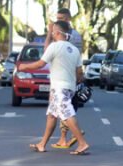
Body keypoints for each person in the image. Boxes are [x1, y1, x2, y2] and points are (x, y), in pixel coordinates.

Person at [24, 20, 90, 155]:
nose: (52, 34)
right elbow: (79, 73)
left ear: (58, 32)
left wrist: (24, 67)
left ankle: (82, 143)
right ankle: (42, 144)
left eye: (53, 31)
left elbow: (40, 64)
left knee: (66, 114)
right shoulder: (75, 50)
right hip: (68, 87)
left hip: (60, 87)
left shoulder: (54, 47)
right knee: (52, 115)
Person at [48, 9, 85, 149]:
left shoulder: (68, 36)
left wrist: (50, 34)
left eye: (62, 18)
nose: (59, 20)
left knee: (65, 108)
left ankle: (74, 136)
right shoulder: (72, 35)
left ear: (68, 18)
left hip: (64, 77)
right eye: (57, 18)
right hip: (66, 76)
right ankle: (63, 138)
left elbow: (52, 51)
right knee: (60, 109)